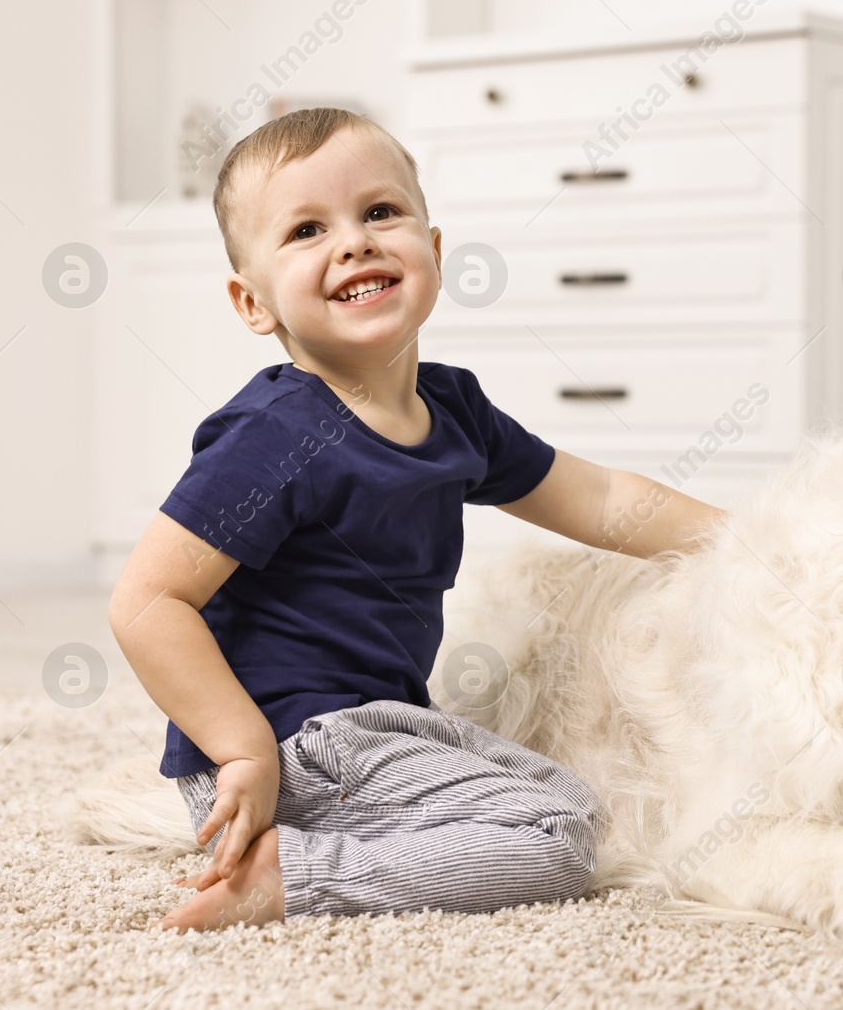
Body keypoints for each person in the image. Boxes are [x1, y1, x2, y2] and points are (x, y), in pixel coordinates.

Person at [106, 107, 725, 933]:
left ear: (433, 252)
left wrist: (747, 542)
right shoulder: (277, 434)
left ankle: (327, 849)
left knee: (573, 796)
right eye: (306, 229)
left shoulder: (454, 408)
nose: (354, 242)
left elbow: (601, 498)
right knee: (559, 837)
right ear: (253, 302)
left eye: (379, 212)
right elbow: (147, 601)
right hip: (284, 745)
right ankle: (295, 876)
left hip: (376, 727)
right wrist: (242, 749)